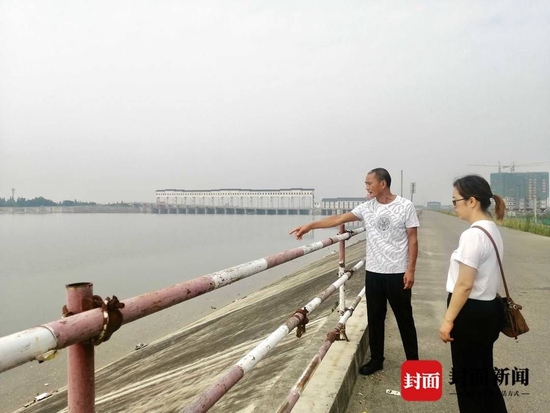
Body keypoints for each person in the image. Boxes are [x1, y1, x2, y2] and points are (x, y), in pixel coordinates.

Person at [290, 168, 419, 375]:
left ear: (383, 184)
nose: (366, 187)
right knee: (375, 318)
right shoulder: (366, 208)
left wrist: (410, 270)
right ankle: (377, 359)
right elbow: (338, 220)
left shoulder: (405, 206)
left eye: (369, 183)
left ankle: (413, 363)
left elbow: (412, 239)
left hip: (397, 273)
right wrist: (310, 225)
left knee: (405, 318)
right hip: (374, 273)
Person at [439, 175, 508, 412]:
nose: (454, 206)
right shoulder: (491, 231)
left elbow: (464, 285)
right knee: (484, 378)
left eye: (455, 200)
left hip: (470, 313)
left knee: (468, 384)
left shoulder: (473, 235)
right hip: (488, 310)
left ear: (471, 201)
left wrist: (448, 320)